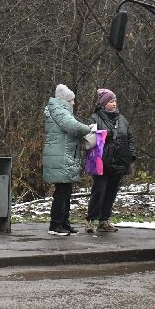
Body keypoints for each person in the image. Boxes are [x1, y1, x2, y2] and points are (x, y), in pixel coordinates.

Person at [42, 83, 96, 236]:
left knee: (66, 192)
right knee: (62, 192)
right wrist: (89, 129)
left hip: (64, 157)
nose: (74, 103)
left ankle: (64, 223)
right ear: (65, 100)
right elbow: (73, 127)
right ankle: (56, 224)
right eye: (72, 100)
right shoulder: (60, 111)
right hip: (61, 157)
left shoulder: (59, 110)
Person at [86, 88, 137, 234]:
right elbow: (90, 138)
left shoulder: (122, 119)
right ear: (103, 104)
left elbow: (130, 138)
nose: (114, 104)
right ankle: (90, 220)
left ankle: (104, 220)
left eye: (114, 101)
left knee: (111, 192)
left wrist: (131, 154)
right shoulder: (95, 118)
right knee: (99, 191)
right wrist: (105, 135)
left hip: (120, 161)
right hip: (102, 161)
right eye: (110, 101)